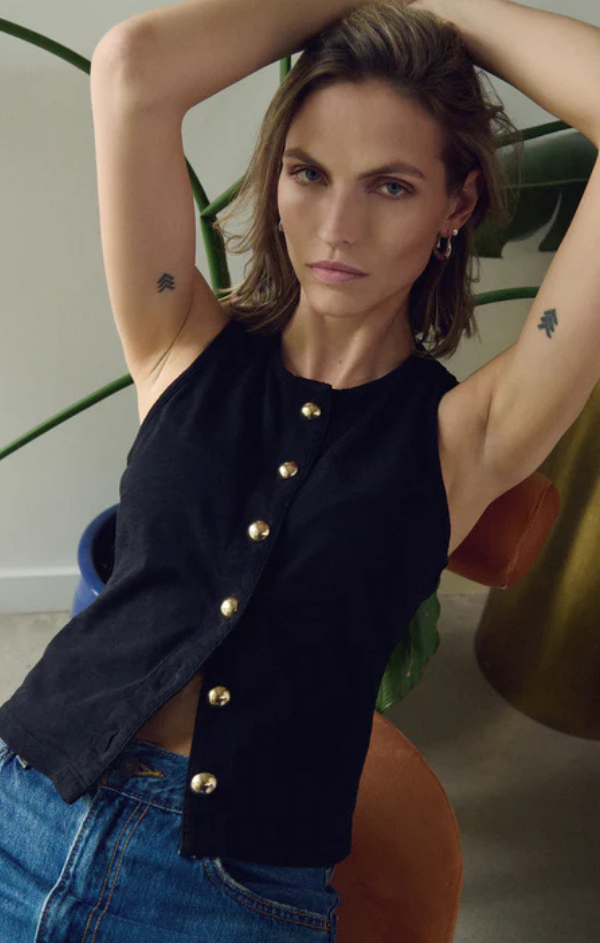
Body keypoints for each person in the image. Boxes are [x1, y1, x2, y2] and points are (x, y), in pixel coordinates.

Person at [3, 0, 599, 939]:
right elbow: (131, 66)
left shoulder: (470, 435)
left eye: (391, 185)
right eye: (308, 173)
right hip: (25, 794)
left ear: (457, 206)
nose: (336, 227)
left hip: (229, 892)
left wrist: (437, 4)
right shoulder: (177, 340)